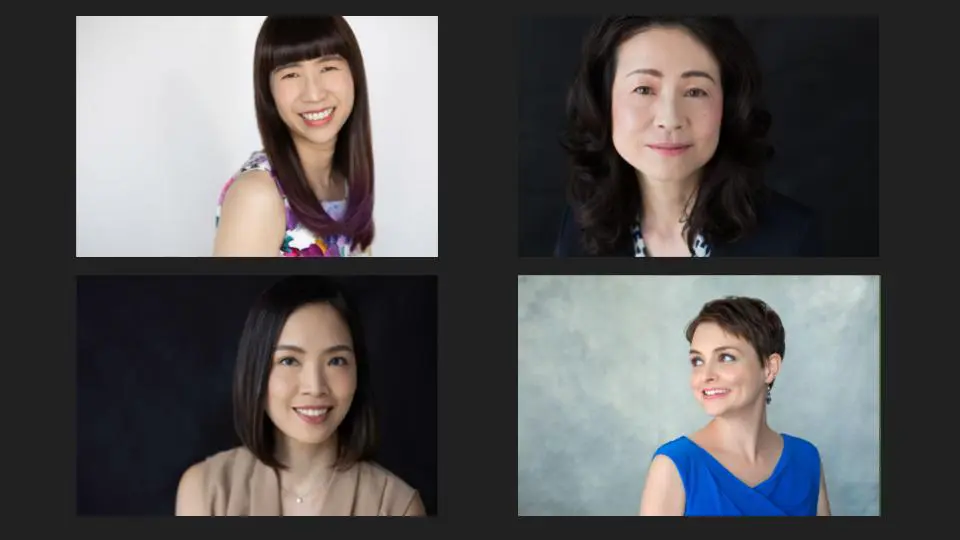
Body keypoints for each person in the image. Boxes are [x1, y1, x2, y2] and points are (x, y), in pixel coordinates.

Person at [555, 16, 824, 257]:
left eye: (695, 92)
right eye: (644, 89)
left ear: (728, 106)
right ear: (603, 101)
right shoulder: (581, 224)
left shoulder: (792, 239)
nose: (670, 119)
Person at [175, 277, 425, 516]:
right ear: (256, 369)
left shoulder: (397, 506)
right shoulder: (205, 490)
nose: (315, 387)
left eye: (336, 361)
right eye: (289, 361)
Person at [638, 296, 831, 516]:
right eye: (697, 361)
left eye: (726, 357)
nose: (706, 375)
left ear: (769, 368)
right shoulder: (674, 466)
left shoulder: (806, 459)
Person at [214, 16, 375, 257]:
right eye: (291, 74)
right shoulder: (257, 196)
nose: (313, 94)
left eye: (328, 68)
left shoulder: (346, 180)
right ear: (268, 90)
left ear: (354, 75)